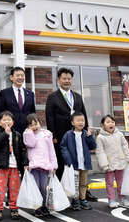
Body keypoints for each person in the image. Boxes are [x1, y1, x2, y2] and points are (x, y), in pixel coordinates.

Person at [45, 67, 97, 201]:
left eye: (69, 79)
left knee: (80, 163)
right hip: (61, 137)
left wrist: (87, 130)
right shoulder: (52, 97)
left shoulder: (77, 96)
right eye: (64, 79)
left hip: (78, 136)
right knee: (62, 164)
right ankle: (60, 193)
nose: (67, 81)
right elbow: (49, 117)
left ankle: (84, 192)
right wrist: (54, 136)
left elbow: (83, 115)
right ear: (58, 80)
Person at [0, 111, 29, 221]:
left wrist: (25, 162)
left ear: (13, 122)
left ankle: (14, 208)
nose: (7, 121)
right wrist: (5, 134)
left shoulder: (17, 134)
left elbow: (22, 150)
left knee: (14, 189)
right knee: (0, 189)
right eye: (4, 119)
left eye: (9, 119)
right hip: (2, 166)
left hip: (15, 166)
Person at [23, 113, 57, 217]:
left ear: (40, 123)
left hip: (45, 166)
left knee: (43, 187)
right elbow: (31, 144)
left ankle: (44, 205)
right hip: (34, 165)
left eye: (36, 123)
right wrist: (29, 133)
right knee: (36, 187)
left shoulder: (47, 134)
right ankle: (37, 207)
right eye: (31, 125)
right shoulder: (27, 135)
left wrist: (54, 165)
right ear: (28, 127)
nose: (34, 127)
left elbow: (51, 151)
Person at [61, 112, 96, 211]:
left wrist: (90, 138)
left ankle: (83, 199)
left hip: (84, 163)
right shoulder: (68, 134)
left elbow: (93, 146)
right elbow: (63, 146)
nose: (81, 122)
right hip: (74, 164)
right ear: (72, 122)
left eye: (83, 120)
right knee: (74, 183)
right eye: (78, 120)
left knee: (83, 183)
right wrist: (67, 159)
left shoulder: (86, 134)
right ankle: (75, 200)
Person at [95, 115, 129, 209]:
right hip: (109, 163)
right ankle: (111, 200)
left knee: (121, 182)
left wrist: (127, 157)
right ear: (102, 125)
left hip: (120, 161)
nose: (111, 124)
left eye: (112, 122)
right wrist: (104, 164)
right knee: (109, 183)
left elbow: (124, 145)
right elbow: (100, 151)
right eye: (108, 122)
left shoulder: (119, 134)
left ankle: (123, 198)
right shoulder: (100, 137)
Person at [0, 66, 36, 134]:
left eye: (22, 75)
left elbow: (33, 113)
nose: (20, 78)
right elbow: (1, 114)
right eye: (17, 75)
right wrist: (1, 132)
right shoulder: (4, 93)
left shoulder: (30, 94)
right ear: (11, 77)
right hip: (10, 130)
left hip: (27, 130)